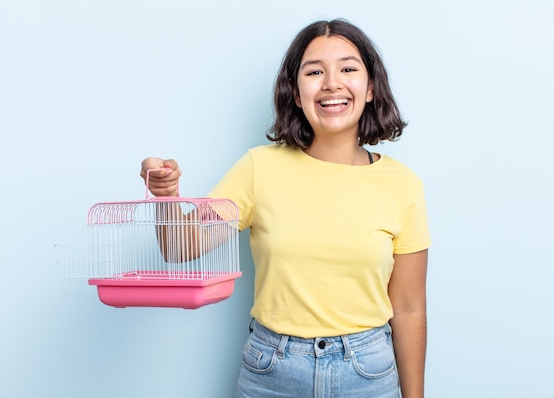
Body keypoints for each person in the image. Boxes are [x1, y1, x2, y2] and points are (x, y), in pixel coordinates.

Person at [141, 19, 430, 398]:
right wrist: (166, 197)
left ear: (371, 87)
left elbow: (408, 308)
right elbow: (180, 248)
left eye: (348, 68)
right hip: (272, 371)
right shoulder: (259, 168)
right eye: (314, 71)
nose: (331, 83)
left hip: (367, 373)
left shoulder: (402, 184)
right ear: (295, 93)